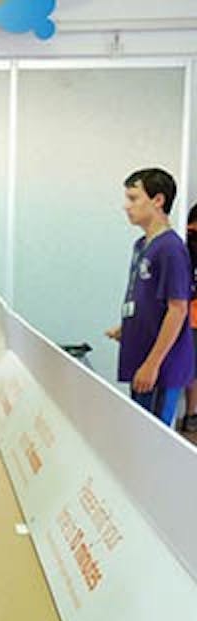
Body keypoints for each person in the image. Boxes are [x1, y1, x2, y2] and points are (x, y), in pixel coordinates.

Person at [104, 168, 194, 426]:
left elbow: (178, 310)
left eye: (133, 198)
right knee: (137, 432)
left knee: (153, 440)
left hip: (160, 366)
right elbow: (149, 301)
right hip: (141, 354)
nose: (126, 206)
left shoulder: (170, 249)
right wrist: (127, 327)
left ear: (158, 200)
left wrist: (152, 364)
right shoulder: (142, 245)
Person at [180, 202, 197, 433]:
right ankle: (191, 414)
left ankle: (192, 414)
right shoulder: (187, 242)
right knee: (192, 368)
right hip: (190, 314)